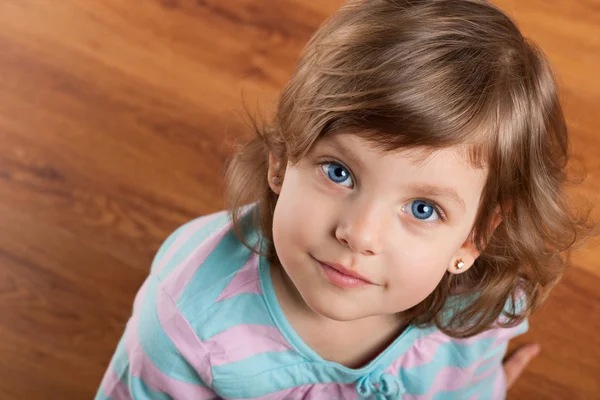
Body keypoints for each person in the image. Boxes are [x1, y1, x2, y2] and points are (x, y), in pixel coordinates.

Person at [95, 0, 594, 398]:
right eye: (339, 172)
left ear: (474, 239)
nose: (359, 233)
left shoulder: (480, 308)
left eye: (423, 209)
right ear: (281, 158)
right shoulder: (188, 320)